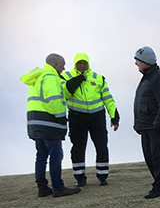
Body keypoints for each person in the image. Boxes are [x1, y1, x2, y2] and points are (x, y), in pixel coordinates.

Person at [19, 54, 80, 197]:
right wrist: (61, 118)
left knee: (41, 154)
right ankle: (58, 187)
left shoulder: (39, 76)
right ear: (55, 64)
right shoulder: (50, 77)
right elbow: (54, 99)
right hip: (48, 122)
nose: (64, 69)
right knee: (56, 154)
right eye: (63, 65)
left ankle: (42, 187)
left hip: (35, 121)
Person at [61, 52, 120, 186]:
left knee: (101, 146)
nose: (82, 65)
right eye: (79, 63)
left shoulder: (99, 77)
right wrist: (80, 79)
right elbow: (64, 93)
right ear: (75, 64)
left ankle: (102, 176)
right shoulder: (66, 76)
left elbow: (108, 99)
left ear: (88, 63)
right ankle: (80, 177)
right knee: (78, 148)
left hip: (97, 116)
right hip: (77, 117)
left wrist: (114, 116)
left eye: (84, 63)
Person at [133, 46, 160, 199]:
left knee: (155, 156)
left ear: (146, 61)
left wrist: (158, 124)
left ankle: (159, 187)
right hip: (146, 126)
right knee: (149, 157)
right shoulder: (147, 77)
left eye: (138, 60)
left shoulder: (159, 77)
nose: (136, 63)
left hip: (156, 126)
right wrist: (139, 125)